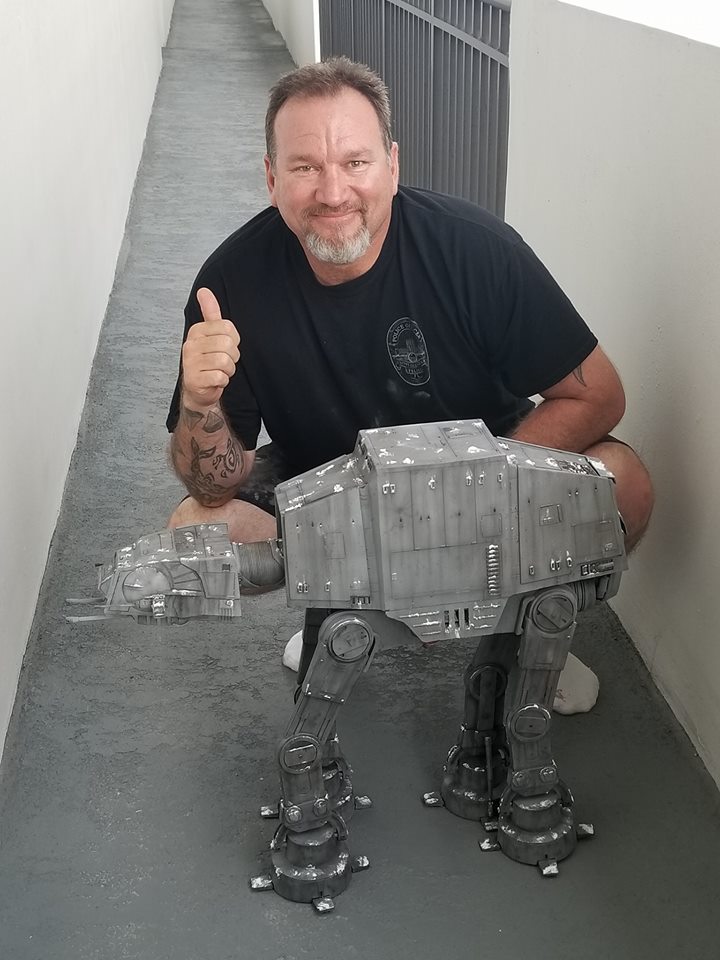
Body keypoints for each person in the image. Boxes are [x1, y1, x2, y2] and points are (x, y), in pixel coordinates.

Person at [165, 57, 653, 712]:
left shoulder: (476, 250)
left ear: (392, 166)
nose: (333, 191)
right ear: (272, 178)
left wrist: (466, 489)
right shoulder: (229, 284)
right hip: (334, 491)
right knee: (197, 532)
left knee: (625, 481)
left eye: (355, 162)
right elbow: (210, 486)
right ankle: (333, 606)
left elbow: (600, 395)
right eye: (305, 167)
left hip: (488, 472)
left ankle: (528, 634)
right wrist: (199, 404)